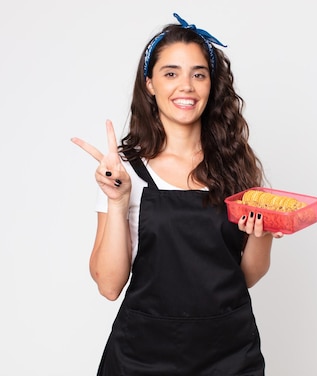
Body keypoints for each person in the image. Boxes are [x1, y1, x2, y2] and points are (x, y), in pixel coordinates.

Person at [71, 13, 284, 375]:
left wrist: (261, 238)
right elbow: (109, 286)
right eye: (171, 73)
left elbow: (244, 277)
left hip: (228, 355)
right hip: (142, 356)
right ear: (150, 83)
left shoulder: (236, 165)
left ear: (211, 85)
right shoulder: (124, 172)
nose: (185, 85)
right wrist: (118, 200)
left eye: (198, 74)